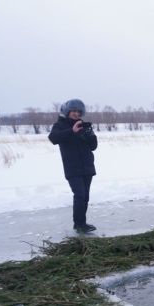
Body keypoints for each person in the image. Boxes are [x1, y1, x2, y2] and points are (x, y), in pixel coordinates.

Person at [48, 99, 98, 234]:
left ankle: (81, 224)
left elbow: (93, 146)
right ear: (67, 111)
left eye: (78, 111)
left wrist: (89, 134)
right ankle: (79, 224)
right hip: (72, 167)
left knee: (85, 196)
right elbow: (53, 138)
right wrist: (72, 131)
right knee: (80, 195)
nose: (76, 114)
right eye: (73, 111)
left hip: (87, 166)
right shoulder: (60, 125)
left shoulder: (83, 125)